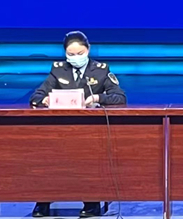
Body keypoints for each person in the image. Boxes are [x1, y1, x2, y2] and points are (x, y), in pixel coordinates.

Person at [29, 31, 127, 218]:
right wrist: (45, 101)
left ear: (88, 50)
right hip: (60, 129)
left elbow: (120, 97)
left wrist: (98, 98)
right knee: (46, 157)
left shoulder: (101, 70)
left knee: (88, 158)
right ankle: (43, 201)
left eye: (80, 54)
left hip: (90, 130)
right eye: (71, 54)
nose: (75, 58)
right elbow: (36, 96)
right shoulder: (58, 70)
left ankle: (91, 202)